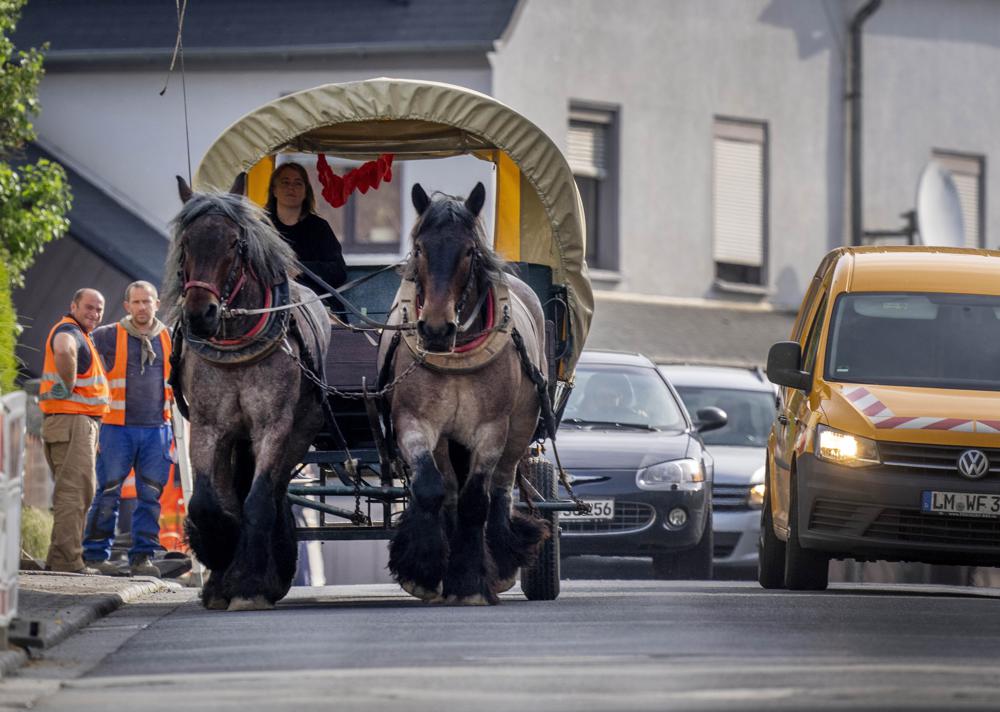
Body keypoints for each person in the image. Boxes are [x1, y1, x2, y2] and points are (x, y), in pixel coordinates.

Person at [83, 281, 175, 577]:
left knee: (150, 495)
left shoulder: (170, 338)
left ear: (157, 304)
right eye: (136, 303)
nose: (141, 308)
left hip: (156, 430)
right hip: (116, 429)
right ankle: (95, 556)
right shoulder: (107, 336)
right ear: (127, 306)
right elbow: (81, 355)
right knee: (108, 492)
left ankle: (142, 558)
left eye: (146, 302)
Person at [38, 288, 110, 574]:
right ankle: (67, 562)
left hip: (76, 423)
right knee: (74, 493)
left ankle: (61, 558)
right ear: (74, 306)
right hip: (72, 422)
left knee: (79, 492)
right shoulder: (69, 330)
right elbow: (65, 348)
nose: (94, 314)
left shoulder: (83, 334)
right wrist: (66, 385)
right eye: (88, 308)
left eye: (98, 310)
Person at [266, 161, 347, 300]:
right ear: (274, 190)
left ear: (305, 192)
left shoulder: (319, 227)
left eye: (298, 183)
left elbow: (338, 272)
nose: (291, 188)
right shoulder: (261, 227)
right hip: (271, 303)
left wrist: (300, 269)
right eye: (285, 182)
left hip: (317, 302)